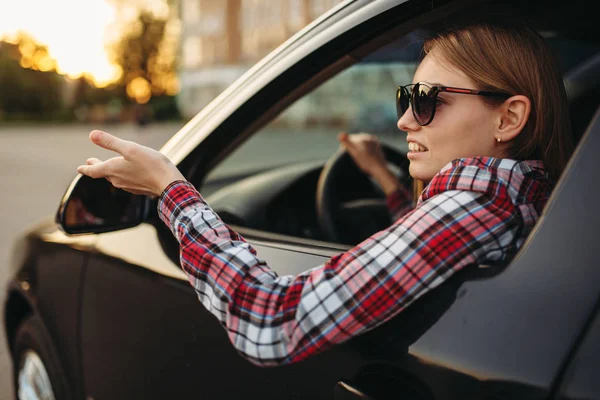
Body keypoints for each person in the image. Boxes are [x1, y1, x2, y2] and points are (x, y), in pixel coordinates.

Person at [76, 21, 574, 367]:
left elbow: (270, 320)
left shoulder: (468, 210)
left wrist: (171, 189)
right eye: (407, 98)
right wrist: (385, 180)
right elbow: (429, 243)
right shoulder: (524, 198)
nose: (404, 120)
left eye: (427, 101)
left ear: (508, 117)